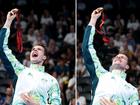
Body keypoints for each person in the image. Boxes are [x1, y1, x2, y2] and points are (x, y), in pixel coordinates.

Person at [0, 8, 61, 105]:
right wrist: (8, 21)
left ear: (44, 57)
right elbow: (2, 47)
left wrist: (37, 104)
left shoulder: (51, 80)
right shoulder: (20, 70)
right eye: (33, 49)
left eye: (39, 49)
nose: (34, 50)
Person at [82, 7, 139, 105]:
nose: (118, 57)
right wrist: (93, 20)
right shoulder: (100, 73)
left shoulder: (132, 90)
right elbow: (87, 48)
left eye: (123, 57)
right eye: (117, 56)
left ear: (127, 66)